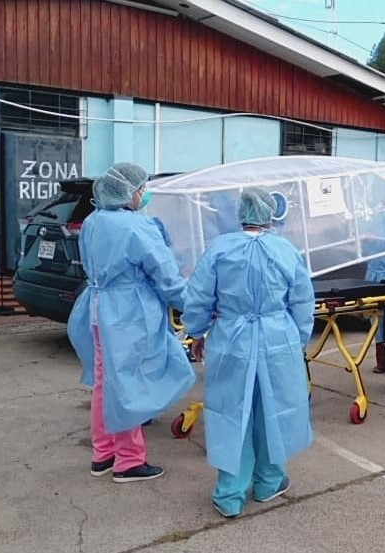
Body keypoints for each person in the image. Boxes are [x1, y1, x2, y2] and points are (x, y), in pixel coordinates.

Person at [183, 187, 316, 519]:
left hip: (232, 340)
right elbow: (302, 301)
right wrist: (297, 339)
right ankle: (269, 481)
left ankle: (230, 493)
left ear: (240, 213)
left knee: (231, 412)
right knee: (273, 407)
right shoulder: (286, 250)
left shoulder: (219, 249)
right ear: (271, 215)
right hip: (277, 339)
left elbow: (199, 296)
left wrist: (196, 331)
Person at [67, 162, 196, 483]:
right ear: (129, 192)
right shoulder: (137, 228)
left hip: (98, 308)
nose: (145, 193)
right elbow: (167, 278)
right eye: (142, 188)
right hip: (129, 315)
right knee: (128, 383)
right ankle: (128, 460)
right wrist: (199, 308)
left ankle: (103, 453)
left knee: (105, 382)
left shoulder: (94, 221)